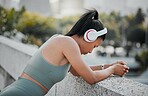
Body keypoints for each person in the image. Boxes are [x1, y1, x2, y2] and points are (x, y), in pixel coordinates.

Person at [0, 9, 129, 96]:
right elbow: (91, 78)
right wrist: (112, 71)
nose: (91, 51)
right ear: (89, 36)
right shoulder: (68, 43)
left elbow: (79, 71)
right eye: (94, 46)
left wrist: (110, 66)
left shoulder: (62, 41)